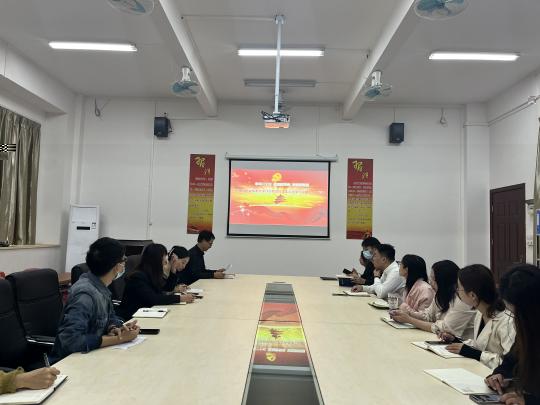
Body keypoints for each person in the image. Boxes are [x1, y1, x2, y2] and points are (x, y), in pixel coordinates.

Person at [51, 237, 140, 362]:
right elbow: (70, 340)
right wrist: (119, 339)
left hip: (94, 357)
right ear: (116, 266)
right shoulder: (85, 296)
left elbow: (109, 317)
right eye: (124, 259)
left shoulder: (101, 287)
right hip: (71, 362)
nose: (125, 264)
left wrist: (115, 328)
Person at [484, 265, 540, 405]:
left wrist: (531, 401)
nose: (514, 320)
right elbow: (511, 361)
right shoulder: (528, 331)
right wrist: (500, 374)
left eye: (515, 314)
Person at [445, 265, 515, 368]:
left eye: (459, 288)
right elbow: (481, 345)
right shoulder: (480, 312)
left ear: (472, 295)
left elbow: (510, 365)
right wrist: (456, 341)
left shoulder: (507, 321)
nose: (457, 291)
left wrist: (475, 354)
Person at [390, 260, 476, 340]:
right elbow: (427, 316)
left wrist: (409, 319)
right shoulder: (441, 294)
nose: (430, 283)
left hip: (463, 345)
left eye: (434, 279)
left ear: (444, 281)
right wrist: (406, 314)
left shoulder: (463, 301)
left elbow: (443, 328)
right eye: (430, 278)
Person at [117, 244, 195, 320]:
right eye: (164, 259)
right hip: (133, 316)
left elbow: (168, 288)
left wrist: (173, 269)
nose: (166, 262)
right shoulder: (137, 277)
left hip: (148, 312)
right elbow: (154, 299)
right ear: (156, 260)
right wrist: (180, 298)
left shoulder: (153, 274)